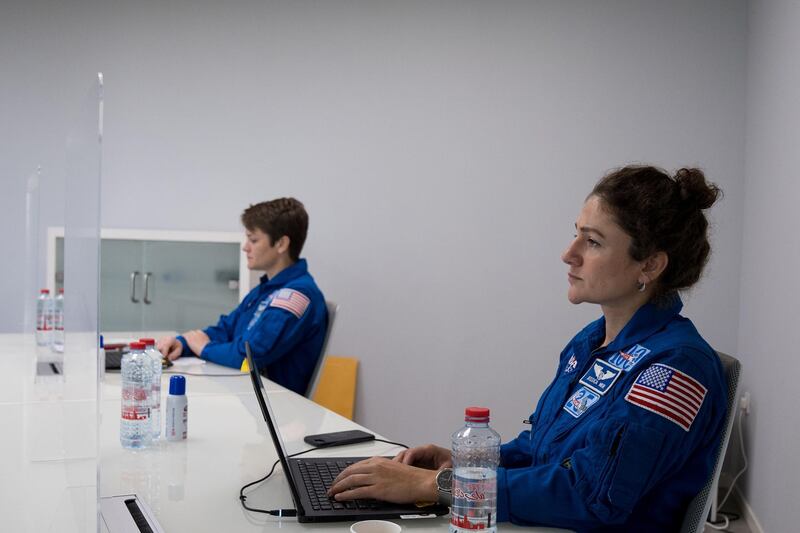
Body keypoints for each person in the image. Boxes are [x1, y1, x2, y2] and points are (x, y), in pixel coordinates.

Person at [328, 166, 727, 532]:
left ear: (650, 266)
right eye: (576, 233)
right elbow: (542, 450)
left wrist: (441, 484)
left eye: (592, 241)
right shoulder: (591, 341)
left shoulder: (676, 367)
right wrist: (468, 463)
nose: (568, 254)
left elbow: (592, 495)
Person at [157, 197, 328, 396]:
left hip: (277, 411)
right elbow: (227, 329)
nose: (245, 247)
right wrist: (184, 344)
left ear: (281, 243)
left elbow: (251, 355)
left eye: (253, 240)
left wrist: (204, 348)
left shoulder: (297, 295)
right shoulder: (266, 290)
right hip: (249, 396)